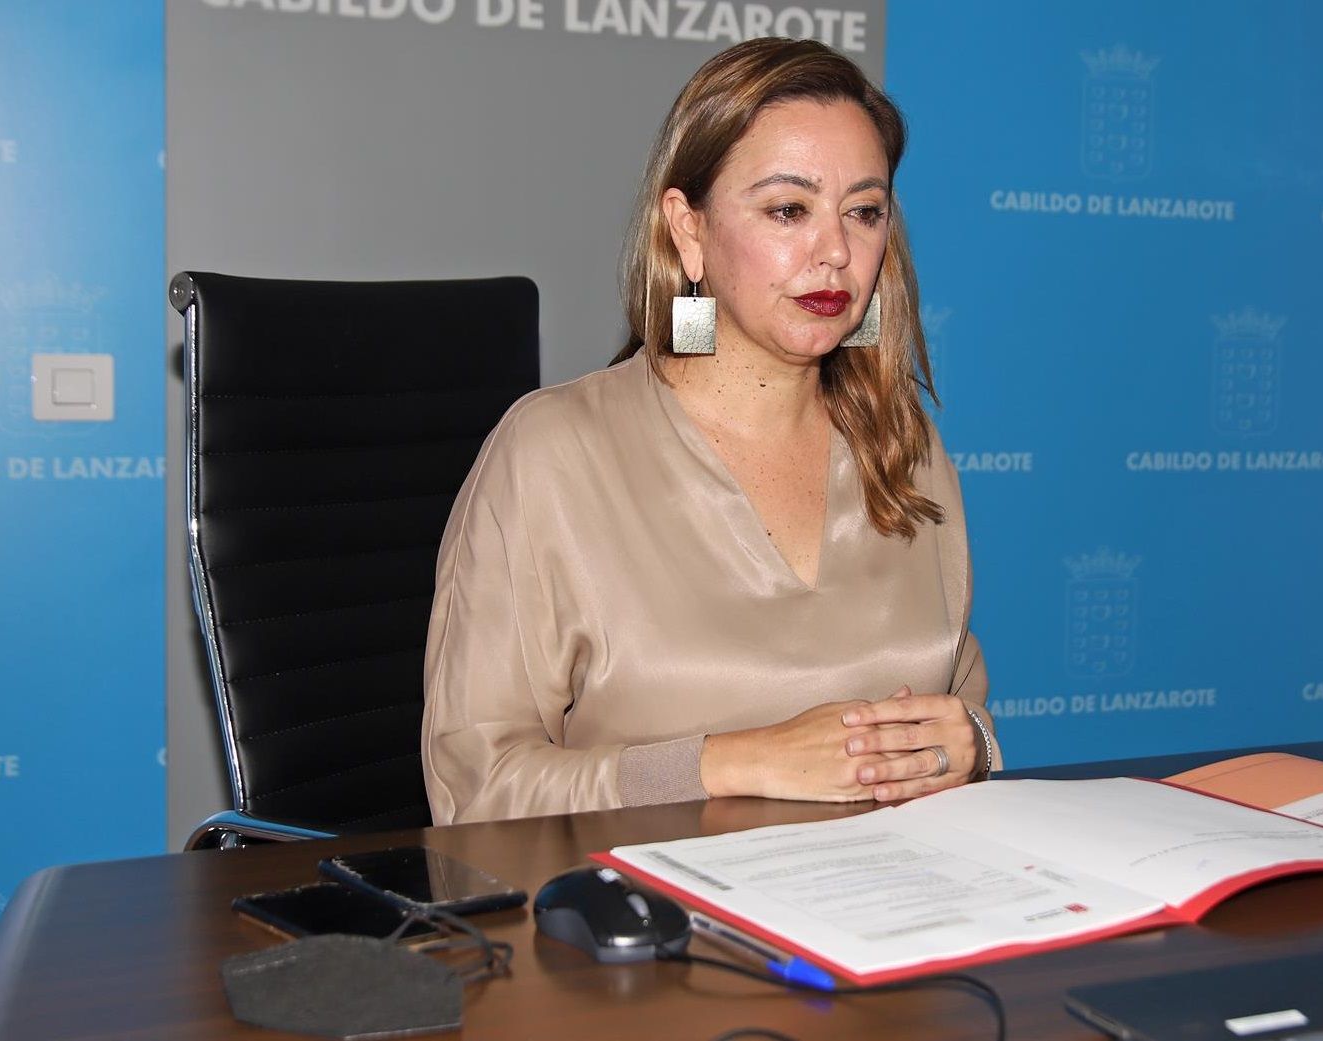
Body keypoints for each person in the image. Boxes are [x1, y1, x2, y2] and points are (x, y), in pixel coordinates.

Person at [420, 38, 998, 825]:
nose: (835, 252)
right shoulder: (553, 454)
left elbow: (961, 708)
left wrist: (968, 743)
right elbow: (476, 786)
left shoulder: (906, 449)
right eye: (788, 210)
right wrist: (732, 760)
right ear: (687, 232)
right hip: (644, 925)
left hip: (888, 912)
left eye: (863, 212)